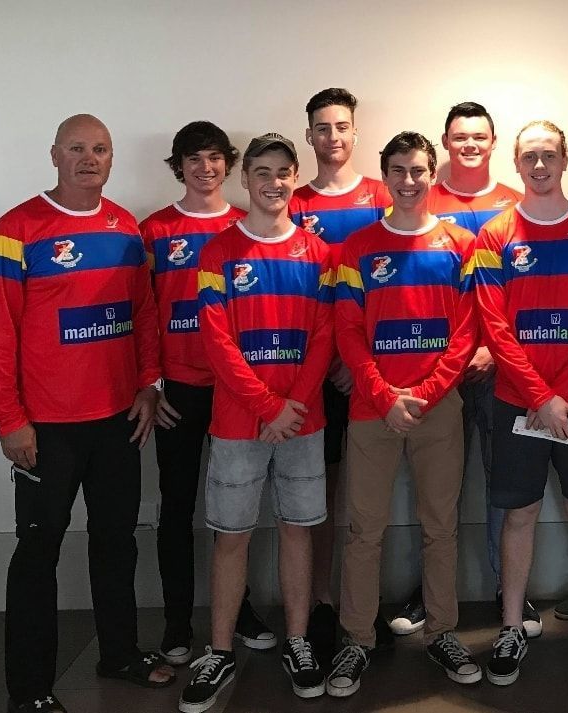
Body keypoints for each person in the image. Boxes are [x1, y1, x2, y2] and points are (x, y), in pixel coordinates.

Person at [0, 114, 173, 713]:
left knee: (117, 541)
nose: (89, 158)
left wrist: (147, 385)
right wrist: (9, 419)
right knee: (37, 552)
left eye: (100, 149)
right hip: (46, 428)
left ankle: (118, 655)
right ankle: (28, 689)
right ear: (55, 154)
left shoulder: (125, 228)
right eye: (77, 149)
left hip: (118, 420)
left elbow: (143, 313)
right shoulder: (15, 229)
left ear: (112, 159)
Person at [179, 133, 335, 712]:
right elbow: (217, 343)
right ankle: (219, 652)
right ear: (245, 180)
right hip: (239, 425)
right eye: (262, 172)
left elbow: (323, 337)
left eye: (283, 172)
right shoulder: (217, 254)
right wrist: (269, 406)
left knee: (299, 530)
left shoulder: (319, 254)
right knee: (231, 538)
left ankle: (298, 642)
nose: (273, 183)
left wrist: (290, 404)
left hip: (303, 421)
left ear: (295, 178)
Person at [327, 131, 480, 697]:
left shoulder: (460, 244)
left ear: (431, 173)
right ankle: (356, 641)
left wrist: (429, 391)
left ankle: (442, 631)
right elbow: (348, 330)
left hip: (439, 408)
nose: (409, 181)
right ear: (385, 175)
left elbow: (466, 333)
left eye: (418, 170)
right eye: (398, 170)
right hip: (374, 408)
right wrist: (384, 396)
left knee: (442, 528)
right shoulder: (357, 247)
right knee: (365, 530)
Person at [475, 120, 568, 689]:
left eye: (549, 156)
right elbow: (494, 325)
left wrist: (561, 398)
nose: (539, 166)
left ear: (566, 162)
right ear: (516, 165)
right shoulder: (494, 236)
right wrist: (541, 397)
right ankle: (512, 626)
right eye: (529, 157)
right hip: (519, 404)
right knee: (519, 516)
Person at [388, 101, 542, 639]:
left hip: (501, 371)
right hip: (440, 371)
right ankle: (432, 595)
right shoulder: (424, 195)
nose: (469, 145)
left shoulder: (517, 203)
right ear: (445, 143)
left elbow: (520, 293)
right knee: (437, 492)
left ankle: (510, 593)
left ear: (494, 143)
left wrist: (493, 349)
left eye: (479, 136)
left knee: (506, 485)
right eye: (459, 137)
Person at [139, 121, 276, 668]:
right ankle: (177, 621)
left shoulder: (249, 227)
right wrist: (150, 382)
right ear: (180, 166)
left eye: (215, 158)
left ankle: (238, 612)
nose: (205, 168)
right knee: (176, 508)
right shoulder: (154, 231)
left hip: (235, 392)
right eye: (193, 159)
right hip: (177, 393)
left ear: (228, 165)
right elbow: (142, 313)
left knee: (235, 511)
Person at [288, 87, 394, 658]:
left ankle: (368, 607)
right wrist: (330, 363)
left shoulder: (382, 195)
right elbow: (299, 290)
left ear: (356, 133)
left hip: (371, 370)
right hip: (317, 372)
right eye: (322, 128)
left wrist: (363, 363)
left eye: (342, 127)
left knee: (374, 497)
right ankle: (328, 604)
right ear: (310, 137)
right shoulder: (295, 201)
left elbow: (394, 287)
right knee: (326, 495)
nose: (333, 137)